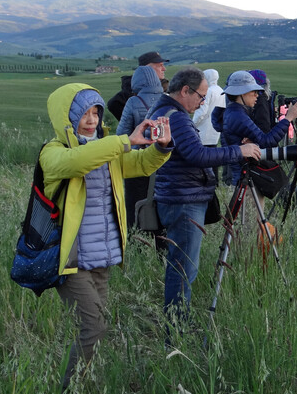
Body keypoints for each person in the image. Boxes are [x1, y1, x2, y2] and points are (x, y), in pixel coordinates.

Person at [39, 83, 171, 394]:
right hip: (70, 261)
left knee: (95, 327)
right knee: (94, 327)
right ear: (66, 118)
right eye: (83, 113)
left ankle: (84, 393)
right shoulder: (54, 153)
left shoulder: (107, 148)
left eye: (96, 112)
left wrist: (161, 148)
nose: (92, 119)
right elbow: (78, 162)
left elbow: (138, 165)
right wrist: (125, 140)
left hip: (103, 257)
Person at [147, 67, 261, 338]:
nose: (202, 101)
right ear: (184, 91)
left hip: (177, 196)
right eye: (200, 95)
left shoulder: (164, 111)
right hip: (183, 200)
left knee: (181, 266)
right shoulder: (176, 117)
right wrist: (239, 151)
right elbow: (197, 155)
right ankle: (176, 335)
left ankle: (177, 329)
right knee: (184, 269)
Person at [218, 70, 297, 187]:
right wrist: (288, 118)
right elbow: (266, 141)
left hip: (243, 175)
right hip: (245, 179)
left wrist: (253, 140)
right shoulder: (238, 115)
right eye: (254, 91)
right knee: (250, 205)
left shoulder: (234, 112)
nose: (257, 95)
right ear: (242, 93)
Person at [116, 65, 166, 230]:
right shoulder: (166, 99)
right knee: (161, 207)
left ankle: (136, 240)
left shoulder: (133, 101)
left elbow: (121, 134)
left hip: (138, 162)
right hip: (162, 161)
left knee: (134, 205)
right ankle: (161, 245)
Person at [105, 51, 169, 121]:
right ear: (146, 69)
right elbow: (113, 104)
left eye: (163, 65)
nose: (164, 69)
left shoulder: (165, 87)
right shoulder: (129, 92)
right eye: (160, 65)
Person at [192, 69, 225, 147]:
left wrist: (192, 125)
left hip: (202, 131)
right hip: (215, 132)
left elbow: (201, 113)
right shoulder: (221, 90)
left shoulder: (208, 91)